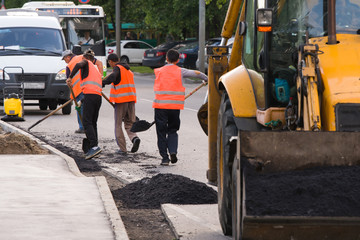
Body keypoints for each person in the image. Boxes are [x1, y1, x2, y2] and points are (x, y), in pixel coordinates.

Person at [153, 49, 208, 165]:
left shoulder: (158, 71)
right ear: (178, 60)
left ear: (166, 59)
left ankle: (164, 158)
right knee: (172, 130)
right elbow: (196, 73)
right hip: (174, 107)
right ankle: (173, 151)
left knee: (161, 132)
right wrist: (206, 78)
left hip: (160, 106)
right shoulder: (180, 71)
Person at [66, 54, 103, 160]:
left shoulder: (86, 62)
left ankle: (94, 146)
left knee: (86, 122)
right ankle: (93, 146)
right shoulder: (95, 70)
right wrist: (82, 101)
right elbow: (92, 87)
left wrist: (70, 77)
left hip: (90, 97)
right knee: (93, 122)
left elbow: (78, 65)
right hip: (97, 97)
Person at [102, 53, 140, 155]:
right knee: (129, 123)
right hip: (131, 100)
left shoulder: (117, 68)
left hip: (121, 101)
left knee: (118, 125)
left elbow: (113, 76)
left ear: (110, 61)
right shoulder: (128, 70)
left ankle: (122, 149)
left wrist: (103, 83)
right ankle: (134, 138)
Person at [62, 50, 85, 134]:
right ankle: (89, 127)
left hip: (79, 90)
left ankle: (82, 127)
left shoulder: (69, 66)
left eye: (65, 60)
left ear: (68, 57)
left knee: (80, 108)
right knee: (88, 108)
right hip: (89, 86)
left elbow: (68, 81)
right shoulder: (83, 57)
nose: (65, 62)